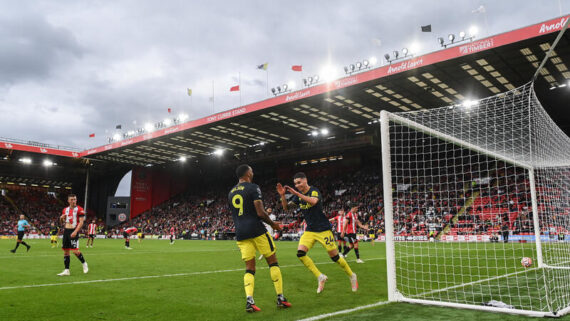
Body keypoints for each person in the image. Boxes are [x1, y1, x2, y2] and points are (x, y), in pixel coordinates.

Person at [277, 172, 358, 294]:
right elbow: (286, 208)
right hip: (310, 230)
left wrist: (296, 193)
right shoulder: (297, 196)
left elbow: (313, 202)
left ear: (305, 180)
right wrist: (283, 196)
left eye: (299, 182)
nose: (297, 185)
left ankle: (352, 275)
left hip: (323, 229)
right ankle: (320, 277)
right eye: (295, 184)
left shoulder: (314, 191)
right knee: (300, 254)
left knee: (335, 257)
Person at [229, 164, 290, 312]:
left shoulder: (230, 192)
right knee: (272, 261)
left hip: (241, 233)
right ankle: (280, 297)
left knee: (249, 268)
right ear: (247, 173)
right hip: (257, 230)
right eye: (252, 170)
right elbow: (260, 212)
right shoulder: (253, 187)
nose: (253, 172)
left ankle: (250, 301)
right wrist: (273, 225)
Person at [58, 194, 88, 276]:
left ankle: (84, 263)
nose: (73, 201)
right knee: (66, 252)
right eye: (72, 199)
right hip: (66, 231)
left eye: (75, 199)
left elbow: (81, 222)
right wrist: (61, 218)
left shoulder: (80, 209)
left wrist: (75, 231)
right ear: (68, 201)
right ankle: (66, 270)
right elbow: (62, 222)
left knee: (75, 251)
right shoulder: (65, 210)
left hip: (74, 230)